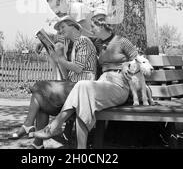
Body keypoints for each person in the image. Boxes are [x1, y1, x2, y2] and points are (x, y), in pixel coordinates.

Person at [33, 13, 141, 149]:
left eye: (93, 26)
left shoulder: (122, 41)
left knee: (82, 86)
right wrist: (42, 42)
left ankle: (56, 125)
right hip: (103, 83)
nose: (91, 29)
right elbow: (72, 34)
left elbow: (140, 61)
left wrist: (128, 65)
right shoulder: (98, 42)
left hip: (119, 84)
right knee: (82, 96)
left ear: (102, 25)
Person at [10, 15, 97, 149]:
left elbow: (78, 68)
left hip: (82, 88)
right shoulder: (74, 45)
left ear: (73, 26)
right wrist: (54, 55)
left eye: (63, 27)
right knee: (40, 101)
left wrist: (59, 59)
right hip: (72, 86)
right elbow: (70, 73)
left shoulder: (83, 41)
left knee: (39, 86)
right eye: (59, 28)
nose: (60, 31)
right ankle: (37, 144)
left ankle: (28, 125)